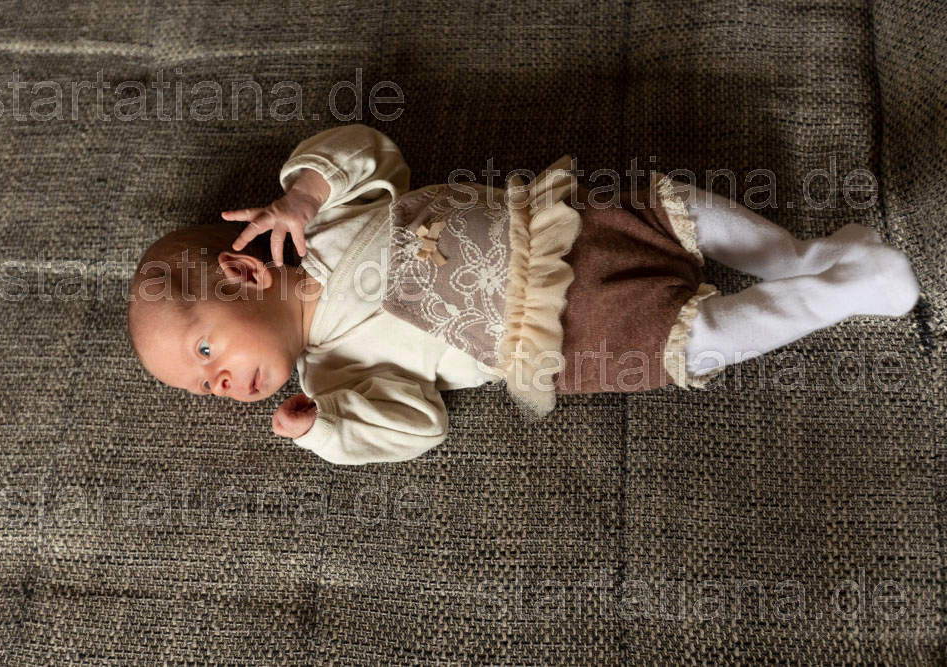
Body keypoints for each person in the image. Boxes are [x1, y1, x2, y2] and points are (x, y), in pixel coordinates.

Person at [127, 124, 920, 464]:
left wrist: (302, 192)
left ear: (244, 272)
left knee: (680, 209)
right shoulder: (332, 376)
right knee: (696, 337)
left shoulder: (325, 221)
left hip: (557, 230)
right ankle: (841, 293)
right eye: (202, 384)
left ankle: (805, 256)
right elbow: (420, 424)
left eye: (206, 350)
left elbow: (369, 150)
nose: (217, 383)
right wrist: (325, 430)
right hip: (564, 337)